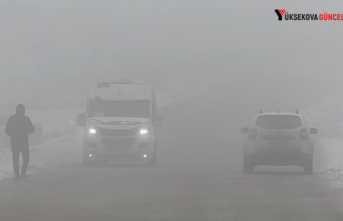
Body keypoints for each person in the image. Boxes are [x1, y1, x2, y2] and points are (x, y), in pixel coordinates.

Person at [5, 104, 35, 182]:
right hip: (23, 142)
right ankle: (22, 174)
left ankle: (17, 176)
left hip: (14, 142)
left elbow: (7, 131)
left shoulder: (11, 119)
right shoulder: (26, 119)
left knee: (15, 159)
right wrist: (26, 132)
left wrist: (13, 133)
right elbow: (32, 129)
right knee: (26, 158)